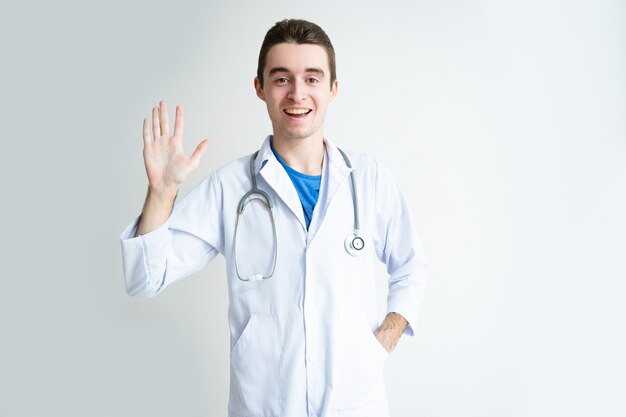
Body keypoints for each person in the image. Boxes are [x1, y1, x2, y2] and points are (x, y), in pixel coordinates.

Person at [120, 18, 428, 417]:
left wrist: (380, 342)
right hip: (264, 406)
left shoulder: (368, 179)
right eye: (281, 78)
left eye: (312, 78)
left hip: (356, 404)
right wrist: (161, 192)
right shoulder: (230, 187)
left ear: (333, 89)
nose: (297, 93)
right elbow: (145, 278)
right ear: (260, 88)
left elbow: (412, 268)